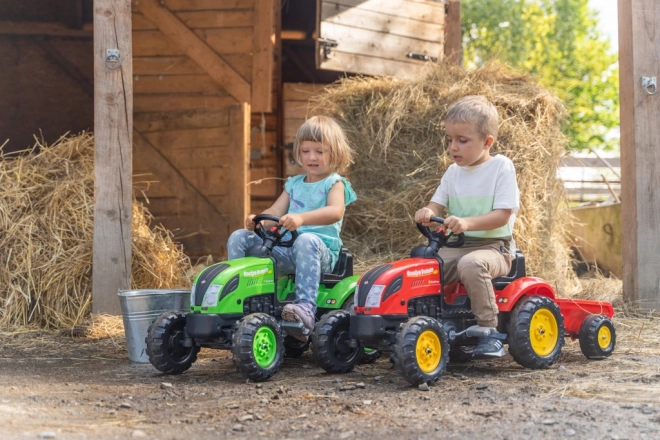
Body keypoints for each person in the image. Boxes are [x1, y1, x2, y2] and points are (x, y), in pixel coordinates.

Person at [227, 115, 357, 341]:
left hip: (320, 253)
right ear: (298, 152)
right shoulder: (294, 184)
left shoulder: (334, 183)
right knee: (240, 237)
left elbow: (335, 211)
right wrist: (257, 220)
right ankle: (240, 297)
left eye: (319, 151)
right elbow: (275, 212)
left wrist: (301, 219)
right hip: (287, 249)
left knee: (305, 241)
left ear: (334, 153)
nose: (312, 157)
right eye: (306, 151)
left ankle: (305, 308)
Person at [414, 95, 520, 358]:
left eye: (462, 140)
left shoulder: (500, 167)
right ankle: (419, 324)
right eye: (450, 140)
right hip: (456, 245)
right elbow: (436, 205)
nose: (453, 147)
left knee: (471, 264)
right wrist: (428, 212)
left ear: (487, 142)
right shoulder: (452, 173)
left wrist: (466, 222)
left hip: (494, 248)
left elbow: (501, 216)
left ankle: (489, 331)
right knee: (421, 264)